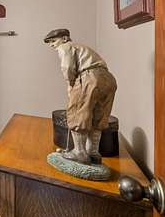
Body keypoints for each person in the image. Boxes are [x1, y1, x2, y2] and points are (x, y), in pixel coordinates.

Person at [44, 29, 117, 164]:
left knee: (78, 113)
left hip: (89, 77)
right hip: (108, 79)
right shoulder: (83, 48)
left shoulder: (66, 46)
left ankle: (79, 152)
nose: (51, 45)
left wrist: (70, 84)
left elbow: (67, 67)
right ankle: (93, 153)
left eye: (53, 41)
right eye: (49, 42)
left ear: (64, 38)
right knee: (98, 117)